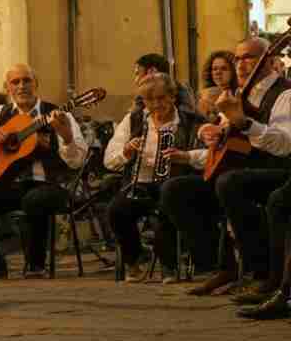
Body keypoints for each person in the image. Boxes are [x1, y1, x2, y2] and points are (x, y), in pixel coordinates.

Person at [162, 37, 291, 296]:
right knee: (176, 189)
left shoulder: (285, 94)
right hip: (241, 171)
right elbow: (227, 148)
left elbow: (284, 144)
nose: (241, 64)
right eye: (237, 58)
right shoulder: (238, 95)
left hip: (278, 170)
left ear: (269, 60)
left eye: (249, 57)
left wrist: (244, 123)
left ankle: (261, 272)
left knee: (230, 183)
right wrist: (201, 142)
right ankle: (222, 266)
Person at [0, 64, 89, 278]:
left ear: (36, 84)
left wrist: (66, 135)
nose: (22, 86)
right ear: (7, 88)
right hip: (6, 187)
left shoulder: (58, 114)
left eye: (27, 80)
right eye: (15, 82)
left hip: (49, 186)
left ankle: (35, 265)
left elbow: (77, 161)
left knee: (35, 199)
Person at [104, 74, 204, 282]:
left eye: (161, 98)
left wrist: (186, 156)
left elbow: (209, 155)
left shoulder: (191, 121)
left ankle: (169, 265)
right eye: (150, 100)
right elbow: (109, 160)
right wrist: (126, 152)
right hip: (140, 184)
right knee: (116, 210)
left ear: (172, 96)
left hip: (177, 183)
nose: (156, 105)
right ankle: (135, 260)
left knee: (167, 201)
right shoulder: (133, 120)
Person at [130, 53, 197, 118]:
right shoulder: (141, 97)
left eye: (137, 73)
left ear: (152, 71)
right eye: (150, 99)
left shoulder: (182, 98)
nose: (136, 80)